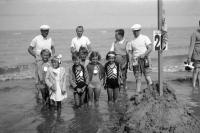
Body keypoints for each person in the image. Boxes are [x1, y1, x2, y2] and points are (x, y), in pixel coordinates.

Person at [28, 25, 55, 92]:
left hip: (48, 59)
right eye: (44, 31)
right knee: (39, 76)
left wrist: (52, 55)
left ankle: (48, 90)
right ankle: (39, 93)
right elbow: (29, 49)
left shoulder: (50, 39)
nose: (46, 32)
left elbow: (52, 48)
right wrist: (35, 55)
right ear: (41, 31)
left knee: (48, 75)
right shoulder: (36, 38)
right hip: (39, 60)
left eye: (47, 31)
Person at [127, 24, 153, 94]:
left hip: (145, 60)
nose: (136, 32)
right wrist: (130, 63)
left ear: (140, 30)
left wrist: (144, 54)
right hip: (135, 61)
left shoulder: (145, 38)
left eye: (137, 31)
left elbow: (150, 48)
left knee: (147, 77)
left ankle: (150, 91)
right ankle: (137, 93)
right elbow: (130, 53)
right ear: (133, 31)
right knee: (138, 78)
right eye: (134, 31)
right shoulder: (131, 41)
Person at [187, 20, 200, 92]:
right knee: (196, 70)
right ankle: (194, 86)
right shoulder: (194, 33)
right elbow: (191, 45)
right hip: (196, 54)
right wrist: (189, 57)